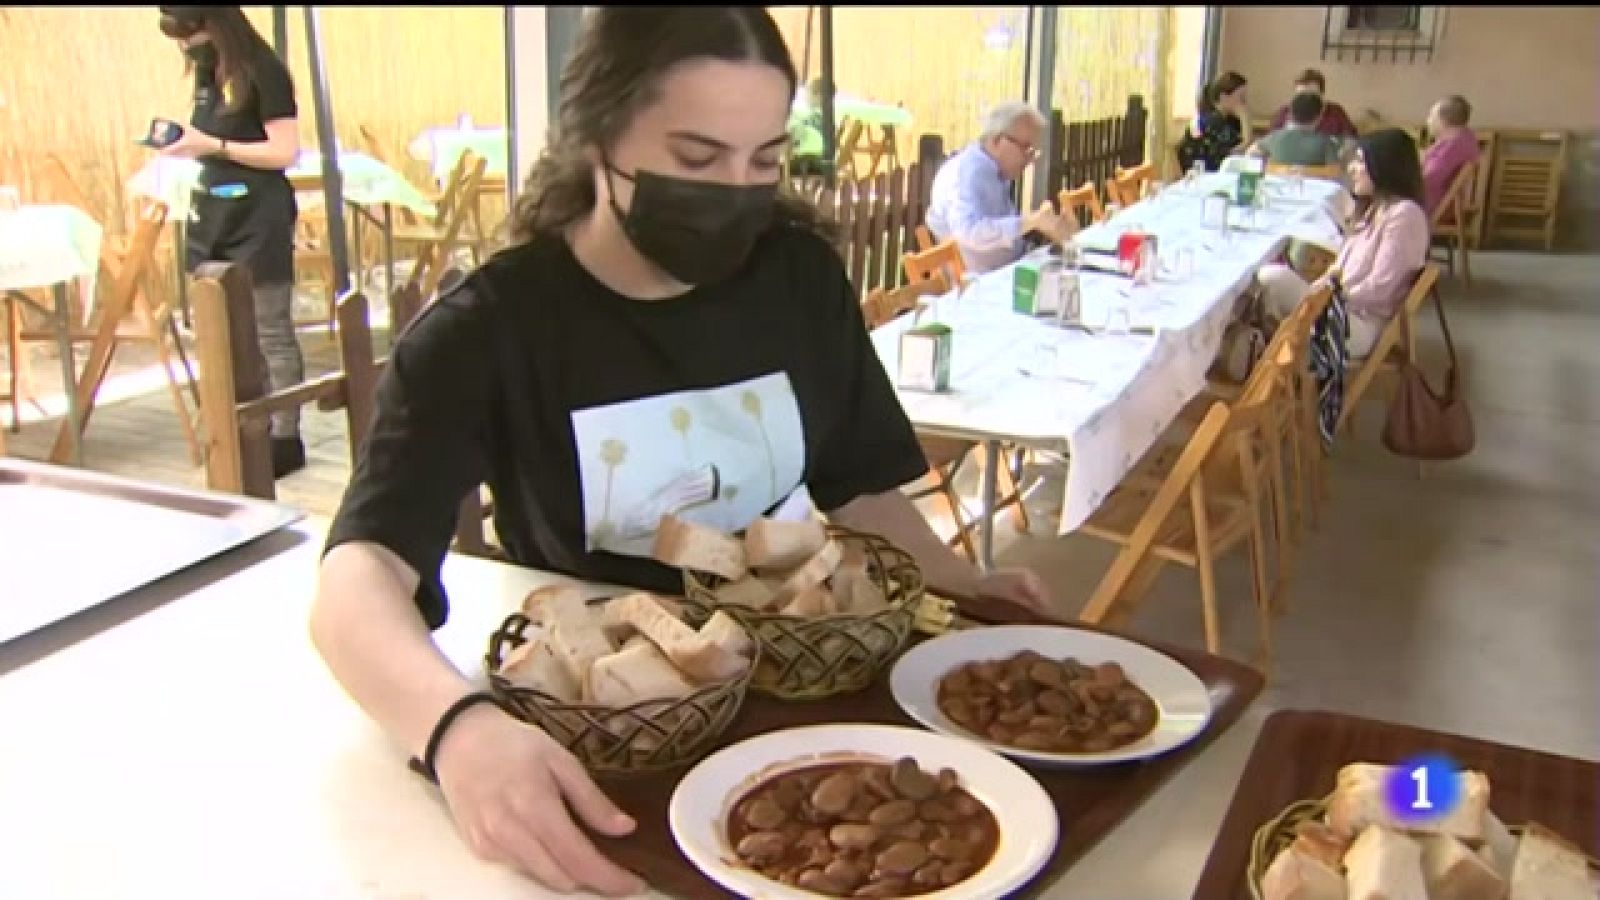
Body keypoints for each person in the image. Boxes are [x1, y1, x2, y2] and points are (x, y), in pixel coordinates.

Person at [310, 9, 1053, 896]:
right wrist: (456, 730)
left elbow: (858, 490)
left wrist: (954, 578)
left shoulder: (799, 280)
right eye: (698, 160)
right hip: (608, 745)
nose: (738, 192)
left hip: (803, 708)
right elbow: (356, 582)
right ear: (595, 143)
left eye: (766, 160)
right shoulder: (492, 329)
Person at [155, 6, 307, 477]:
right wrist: (186, 143)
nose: (184, 42)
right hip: (213, 212)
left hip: (257, 214)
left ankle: (285, 435)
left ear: (215, 24)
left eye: (188, 31)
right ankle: (232, 429)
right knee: (217, 330)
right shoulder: (207, 73)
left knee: (269, 329)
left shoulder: (264, 72)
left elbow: (284, 151)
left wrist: (215, 147)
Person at [1256, 129, 1430, 358]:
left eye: (1360, 161)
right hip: (1341, 306)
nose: (1351, 169)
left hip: (1359, 323)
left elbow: (1381, 287)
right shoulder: (1375, 210)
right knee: (1262, 281)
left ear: (1384, 166)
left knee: (1271, 278)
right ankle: (1253, 354)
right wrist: (1323, 287)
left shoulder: (1404, 215)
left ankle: (1251, 356)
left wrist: (1328, 295)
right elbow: (1339, 269)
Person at [926, 102, 1071, 273]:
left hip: (1007, 269)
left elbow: (1005, 234)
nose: (1029, 160)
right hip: (980, 285)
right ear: (996, 140)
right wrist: (1032, 221)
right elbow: (969, 232)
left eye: (1032, 152)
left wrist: (1046, 229)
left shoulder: (993, 170)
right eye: (1025, 148)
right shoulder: (966, 174)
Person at [1177, 71, 1251, 173]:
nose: (1244, 103)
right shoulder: (1211, 122)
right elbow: (1237, 154)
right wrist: (1245, 118)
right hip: (1204, 178)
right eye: (1241, 98)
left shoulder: (1227, 121)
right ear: (1224, 97)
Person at [1421, 94, 1480, 217]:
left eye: (1431, 116)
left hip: (1433, 204)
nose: (1428, 120)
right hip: (1437, 200)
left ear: (1443, 122)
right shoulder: (1464, 136)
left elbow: (1429, 178)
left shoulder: (1451, 149)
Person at [1250, 92, 1343, 168]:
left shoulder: (1273, 138)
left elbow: (1251, 153)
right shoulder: (1326, 143)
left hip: (1279, 188)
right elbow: (1334, 171)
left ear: (1290, 114)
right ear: (1318, 117)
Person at [1268, 68, 1359, 139]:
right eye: (1302, 94)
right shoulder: (1285, 111)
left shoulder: (1336, 111)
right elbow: (1271, 138)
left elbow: (1351, 138)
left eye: (1312, 94)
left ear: (1321, 94)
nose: (1307, 99)